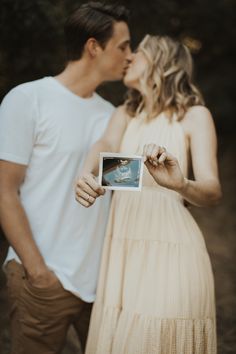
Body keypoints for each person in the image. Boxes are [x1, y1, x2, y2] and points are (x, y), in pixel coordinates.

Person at [75, 35, 222, 353]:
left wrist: (181, 184)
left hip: (173, 250)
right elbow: (104, 147)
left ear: (162, 63)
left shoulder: (194, 116)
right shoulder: (124, 115)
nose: (128, 58)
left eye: (138, 54)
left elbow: (211, 192)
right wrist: (86, 175)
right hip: (124, 250)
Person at [0, 2, 131, 354]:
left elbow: (122, 190)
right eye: (123, 46)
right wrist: (38, 272)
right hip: (43, 280)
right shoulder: (27, 100)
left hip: (100, 288)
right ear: (93, 46)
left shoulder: (113, 116)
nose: (130, 56)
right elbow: (4, 191)